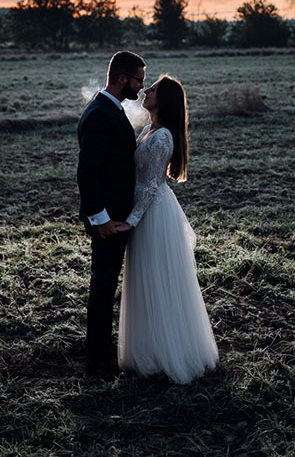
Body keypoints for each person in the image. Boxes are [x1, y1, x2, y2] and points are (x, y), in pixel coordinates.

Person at [118, 74, 219, 384]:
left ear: (164, 100)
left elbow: (151, 185)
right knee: (146, 278)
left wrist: (132, 220)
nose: (146, 90)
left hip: (153, 214)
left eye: (154, 89)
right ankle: (150, 347)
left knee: (157, 277)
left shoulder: (162, 137)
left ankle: (169, 351)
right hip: (144, 209)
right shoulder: (149, 130)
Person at [76, 50, 146, 378]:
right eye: (138, 81)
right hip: (108, 220)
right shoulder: (99, 115)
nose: (141, 87)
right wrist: (100, 218)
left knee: (106, 284)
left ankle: (102, 353)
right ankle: (98, 363)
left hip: (117, 216)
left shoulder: (110, 108)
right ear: (121, 78)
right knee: (103, 287)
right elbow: (87, 172)